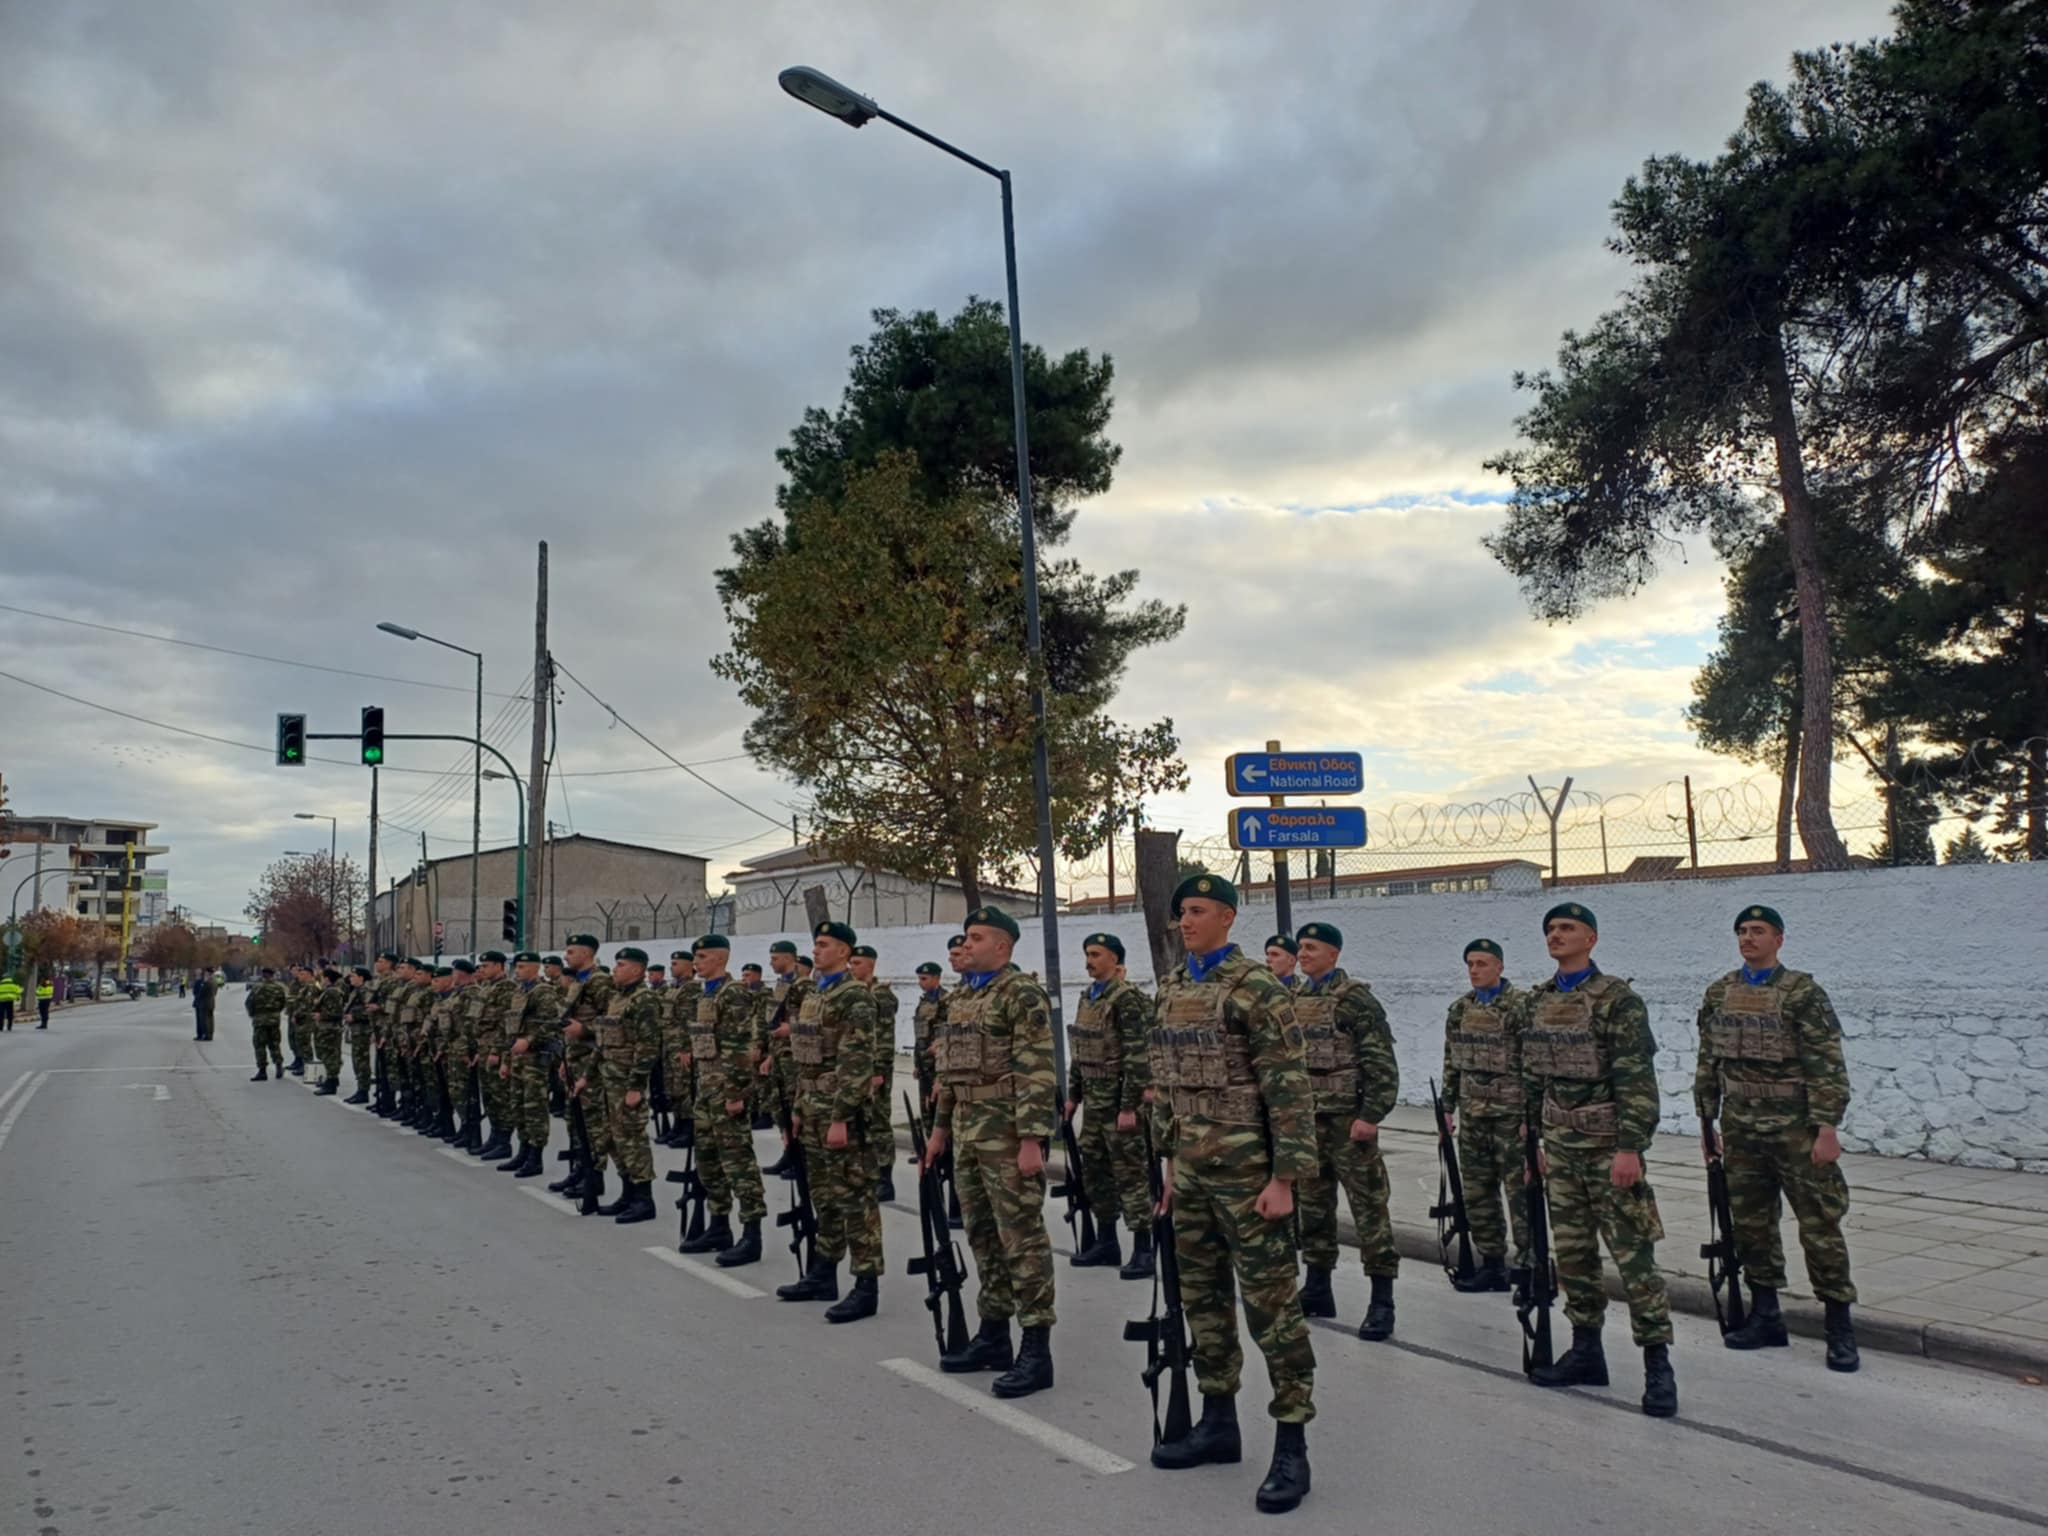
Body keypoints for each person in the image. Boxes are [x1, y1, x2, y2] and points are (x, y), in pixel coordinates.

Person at [1147, 874, 1315, 1514]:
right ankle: (1218, 1420)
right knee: (1202, 1300)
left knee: (1272, 1308)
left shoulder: (1256, 988)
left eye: (1196, 912)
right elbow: (1165, 1084)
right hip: (1189, 1170)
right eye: (1181, 913)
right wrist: (1167, 1164)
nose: (1185, 922)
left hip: (1249, 1176)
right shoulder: (1173, 988)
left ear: (1226, 918)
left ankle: (1292, 1441)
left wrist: (1285, 1179)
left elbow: (1289, 1087)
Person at [1522, 902, 1676, 1418]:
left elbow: (1635, 1078)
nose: (1556, 935)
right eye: (1550, 929)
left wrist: (1631, 1147)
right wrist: (1533, 1142)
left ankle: (1658, 1367)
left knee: (1634, 1259)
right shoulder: (1539, 1001)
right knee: (1574, 1257)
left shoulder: (1618, 1001)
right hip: (1560, 1149)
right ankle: (1587, 1350)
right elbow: (1532, 1077)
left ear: (1591, 938)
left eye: (1567, 928)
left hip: (1608, 1149)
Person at [1695, 905, 1860, 1372]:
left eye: (1758, 931)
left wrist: (1827, 1128)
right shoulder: (1720, 993)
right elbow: (1709, 1061)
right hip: (1741, 1128)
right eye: (1742, 931)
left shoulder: (1802, 994)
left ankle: (1838, 1327)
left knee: (1820, 1225)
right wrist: (1707, 1123)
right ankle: (1766, 1314)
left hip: (1795, 1128)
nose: (1748, 938)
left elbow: (1827, 1064)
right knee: (1750, 1224)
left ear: (1779, 940)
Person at [920, 905, 1057, 1395]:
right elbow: (950, 1075)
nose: (967, 943)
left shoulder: (1021, 994)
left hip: (1006, 1132)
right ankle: (994, 1334)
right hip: (967, 1131)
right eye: (967, 936)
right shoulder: (962, 998)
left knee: (1021, 1239)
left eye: (976, 937)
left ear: (1003, 946)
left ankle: (1036, 1348)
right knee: (981, 1235)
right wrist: (938, 1133)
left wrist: (1031, 1140)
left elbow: (1038, 1070)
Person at [1291, 920, 1402, 1341]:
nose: (1303, 953)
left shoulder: (1355, 1001)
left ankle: (1382, 1301)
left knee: (1370, 1213)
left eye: (1312, 948)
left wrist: (1370, 1116)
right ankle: (1318, 1287)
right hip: (1309, 1123)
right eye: (1301, 947)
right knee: (1313, 1210)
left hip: (1349, 1125)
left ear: (1333, 954)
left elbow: (1381, 1066)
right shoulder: (1294, 999)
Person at [778, 921, 885, 1322]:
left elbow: (856, 1062)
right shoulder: (814, 994)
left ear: (844, 951)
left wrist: (841, 1116)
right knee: (823, 1195)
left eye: (824, 945)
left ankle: (866, 1284)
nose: (817, 951)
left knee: (855, 1199)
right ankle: (823, 1272)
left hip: (842, 1114)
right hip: (813, 1105)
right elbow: (806, 1055)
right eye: (816, 945)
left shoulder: (854, 996)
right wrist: (800, 1108)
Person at [1438, 939, 1530, 1295]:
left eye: (1482, 963)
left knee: (1519, 1195)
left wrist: (1529, 1117)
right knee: (1478, 1193)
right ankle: (1492, 1264)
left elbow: (1532, 1064)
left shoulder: (1521, 1007)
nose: (1475, 970)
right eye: (1470, 964)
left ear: (1500, 967)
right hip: (1473, 1114)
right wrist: (1447, 1108)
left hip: (1510, 1116)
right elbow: (1452, 1063)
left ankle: (1528, 1268)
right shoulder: (1460, 1010)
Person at [1064, 932, 1156, 1277]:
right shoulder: (1088, 997)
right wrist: (1073, 1097)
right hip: (1094, 1103)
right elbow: (1080, 1050)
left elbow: (1137, 1056)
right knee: (1096, 1174)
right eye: (1087, 953)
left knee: (1131, 1175)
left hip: (1119, 1100)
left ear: (1114, 960)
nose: (1089, 960)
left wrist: (1129, 1106)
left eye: (1096, 954)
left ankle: (1144, 1249)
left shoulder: (1126, 999)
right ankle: (1106, 1242)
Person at [679, 934, 767, 1267]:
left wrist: (736, 1094)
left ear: (720, 959)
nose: (697, 962)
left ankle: (752, 1233)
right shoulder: (707, 994)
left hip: (726, 1092)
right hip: (706, 1090)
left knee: (738, 1164)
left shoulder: (734, 995)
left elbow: (740, 1049)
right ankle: (719, 1226)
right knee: (709, 1163)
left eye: (702, 956)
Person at [592, 947, 661, 1224]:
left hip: (627, 1081)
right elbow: (605, 1040)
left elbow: (647, 1047)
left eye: (620, 965)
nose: (615, 969)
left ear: (636, 970)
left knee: (632, 1139)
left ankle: (644, 1199)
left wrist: (635, 1086)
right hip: (610, 1078)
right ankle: (628, 1193)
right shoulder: (618, 998)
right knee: (614, 1139)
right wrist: (587, 1075)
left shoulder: (643, 1000)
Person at [554, 936, 616, 1209]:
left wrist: (585, 1031)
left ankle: (594, 1176)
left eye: (571, 952)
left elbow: (612, 1024)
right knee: (574, 1121)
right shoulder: (580, 981)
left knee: (592, 1124)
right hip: (575, 1058)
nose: (565, 957)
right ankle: (580, 1170)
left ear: (587, 953)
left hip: (592, 1061)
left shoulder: (600, 981)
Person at [497, 951, 562, 1176]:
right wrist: (506, 1059)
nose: (518, 971)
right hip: (517, 1059)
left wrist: (530, 1040)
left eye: (523, 967)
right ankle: (523, 1151)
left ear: (536, 968)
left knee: (534, 1108)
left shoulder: (543, 993)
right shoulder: (518, 992)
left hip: (535, 1059)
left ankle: (535, 1157)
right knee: (518, 1106)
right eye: (517, 967)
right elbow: (510, 1030)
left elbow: (551, 1024)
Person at [849, 944, 900, 1203]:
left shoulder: (880, 996)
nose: (852, 968)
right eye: (851, 963)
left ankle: (885, 1178)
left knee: (879, 1123)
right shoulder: (859, 993)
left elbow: (885, 1037)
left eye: (857, 963)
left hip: (876, 1071)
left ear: (870, 965)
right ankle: (868, 1173)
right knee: (863, 1123)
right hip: (860, 1070)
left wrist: (878, 1071)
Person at [244, 967, 288, 1080]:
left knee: (260, 1045)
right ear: (272, 975)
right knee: (274, 1044)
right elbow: (283, 1002)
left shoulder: (257, 988)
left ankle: (262, 1071)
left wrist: (253, 1014)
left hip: (260, 1020)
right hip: (274, 1019)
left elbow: (249, 1003)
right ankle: (278, 1066)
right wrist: (276, 1012)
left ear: (263, 976)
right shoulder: (279, 988)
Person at [313, 965, 348, 1095]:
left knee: (331, 1056)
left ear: (327, 979)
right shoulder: (329, 991)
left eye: (322, 978)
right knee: (328, 1055)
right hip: (326, 1028)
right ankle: (331, 1079)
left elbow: (336, 1012)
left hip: (330, 1029)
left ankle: (331, 1082)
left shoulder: (332, 992)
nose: (320, 980)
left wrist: (320, 1015)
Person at [191, 968, 214, 1041]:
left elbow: (201, 992)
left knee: (205, 1021)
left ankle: (206, 1035)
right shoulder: (202, 981)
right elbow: (195, 991)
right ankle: (202, 1034)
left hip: (204, 1004)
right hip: (203, 1003)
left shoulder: (207, 982)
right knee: (202, 1020)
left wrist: (198, 995)